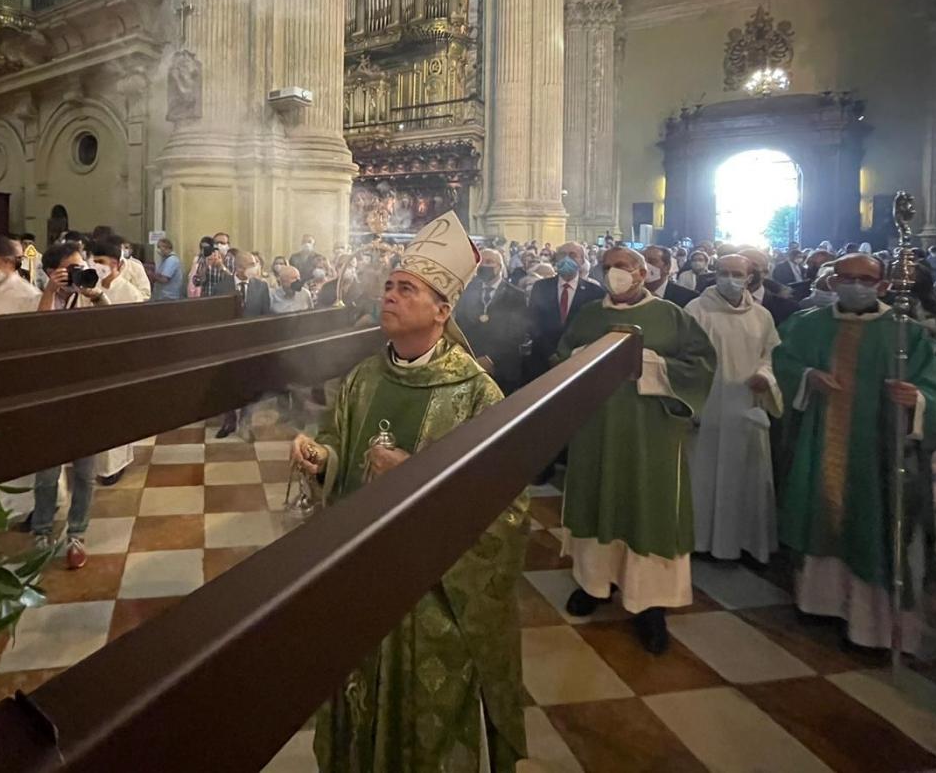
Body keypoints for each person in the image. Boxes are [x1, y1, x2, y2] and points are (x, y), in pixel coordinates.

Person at [288, 212, 528, 772]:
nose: (389, 296)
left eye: (406, 289)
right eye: (389, 286)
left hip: (429, 595)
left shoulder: (477, 394)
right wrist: (323, 458)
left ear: (442, 310)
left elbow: (506, 508)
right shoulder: (364, 377)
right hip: (359, 574)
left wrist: (416, 474)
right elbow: (339, 439)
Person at [773, 253, 936, 651]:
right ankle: (819, 602)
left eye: (865, 279)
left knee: (875, 526)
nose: (855, 286)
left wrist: (917, 400)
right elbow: (783, 362)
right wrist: (807, 377)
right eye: (847, 278)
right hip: (819, 443)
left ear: (883, 286)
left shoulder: (905, 334)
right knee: (820, 517)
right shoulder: (808, 324)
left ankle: (871, 627)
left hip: (878, 451)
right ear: (833, 282)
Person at [558, 246, 717, 654]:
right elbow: (560, 358)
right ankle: (594, 584)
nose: (614, 273)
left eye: (623, 267)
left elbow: (700, 365)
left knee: (648, 505)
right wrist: (583, 359)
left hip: (651, 433)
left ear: (643, 273)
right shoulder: (589, 315)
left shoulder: (671, 316)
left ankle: (650, 603)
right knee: (597, 497)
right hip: (595, 429)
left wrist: (651, 365)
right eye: (608, 267)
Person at [685, 254, 783, 563]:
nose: (730, 279)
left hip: (745, 405)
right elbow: (683, 358)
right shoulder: (696, 310)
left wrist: (765, 376)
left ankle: (745, 542)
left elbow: (770, 356)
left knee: (747, 475)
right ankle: (699, 540)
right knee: (703, 475)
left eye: (737, 273)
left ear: (750, 277)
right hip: (708, 407)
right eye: (724, 272)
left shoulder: (762, 316)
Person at [29, 240, 101, 568]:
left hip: (86, 392)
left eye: (80, 266)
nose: (78, 273)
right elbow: (39, 335)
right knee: (47, 473)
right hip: (49, 394)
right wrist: (49, 292)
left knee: (86, 473)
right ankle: (42, 530)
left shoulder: (87, 297)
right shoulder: (36, 297)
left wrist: (95, 295)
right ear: (51, 271)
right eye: (71, 268)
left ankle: (77, 533)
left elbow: (113, 323)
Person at [455, 248, 532, 395]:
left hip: (502, 366)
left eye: (489, 262)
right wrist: (471, 356)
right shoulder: (466, 291)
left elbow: (517, 333)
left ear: (500, 266)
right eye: (481, 262)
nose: (484, 266)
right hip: (470, 362)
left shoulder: (516, 295)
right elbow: (460, 326)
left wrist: (491, 359)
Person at [524, 241, 604, 382]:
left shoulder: (595, 292)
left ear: (582, 261)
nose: (567, 259)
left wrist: (569, 355)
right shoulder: (541, 287)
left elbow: (594, 329)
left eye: (572, 255)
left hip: (579, 362)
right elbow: (533, 322)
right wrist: (550, 354)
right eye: (562, 255)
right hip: (542, 360)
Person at [739, 248, 799, 326]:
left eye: (753, 265)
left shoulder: (788, 307)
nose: (745, 269)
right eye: (740, 265)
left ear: (765, 272)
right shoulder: (723, 302)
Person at [234, 248, 271, 318]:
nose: (255, 268)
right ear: (239, 267)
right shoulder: (222, 287)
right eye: (252, 265)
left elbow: (266, 315)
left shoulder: (262, 286)